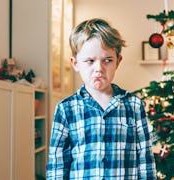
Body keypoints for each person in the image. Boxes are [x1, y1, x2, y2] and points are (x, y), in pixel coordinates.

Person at [46, 18, 156, 179]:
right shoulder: (65, 109)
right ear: (75, 63)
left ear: (118, 62)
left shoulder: (134, 105)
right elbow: (57, 165)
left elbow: (145, 159)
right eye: (90, 61)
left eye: (107, 60)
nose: (99, 68)